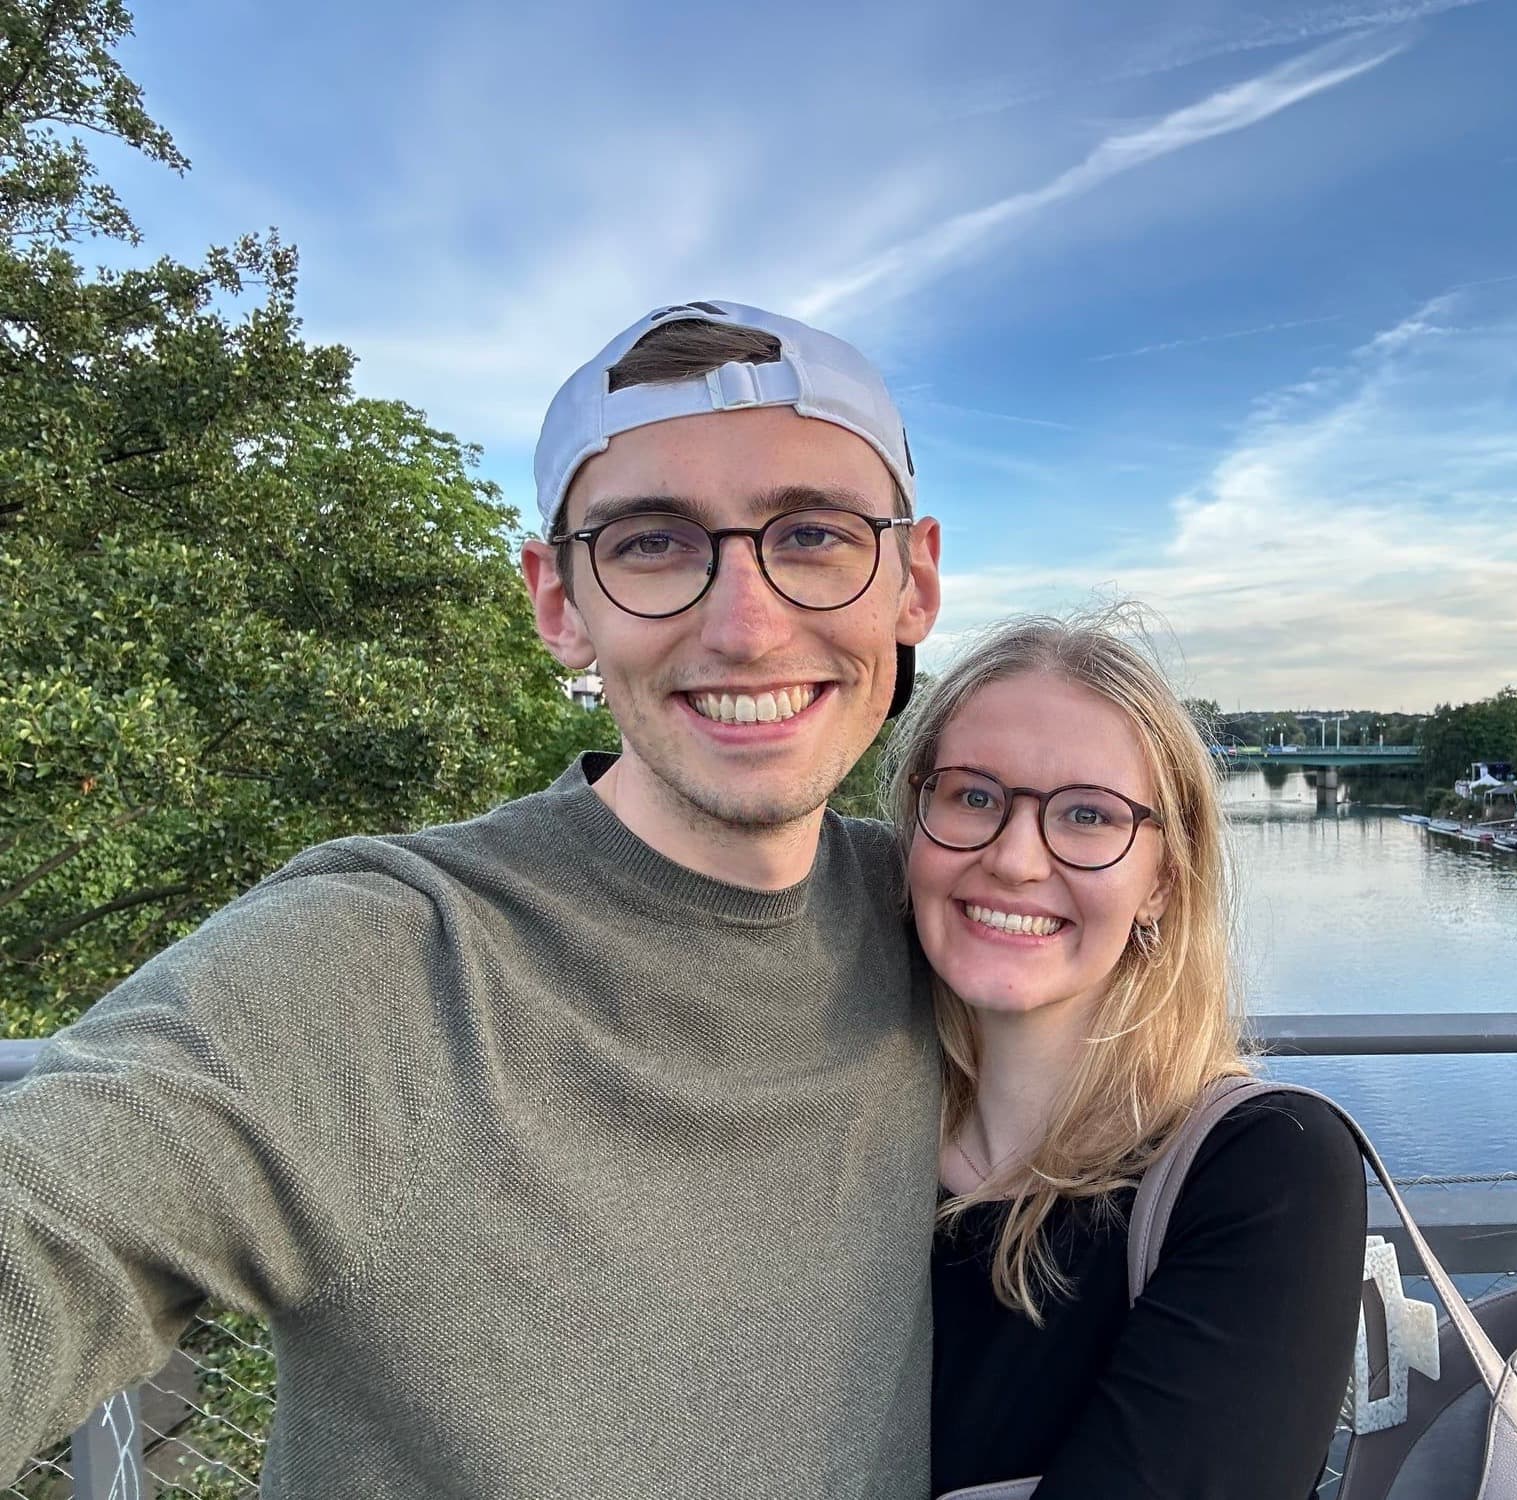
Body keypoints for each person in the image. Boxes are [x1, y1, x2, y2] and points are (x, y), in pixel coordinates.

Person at [0, 302, 944, 1498]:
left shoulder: (943, 926)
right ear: (559, 604)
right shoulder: (379, 963)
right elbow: (48, 1224)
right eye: (652, 544)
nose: (746, 624)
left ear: (910, 584)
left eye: (812, 534)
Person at [890, 613, 1368, 1499]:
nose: (1017, 859)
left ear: (1163, 882)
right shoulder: (840, 1129)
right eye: (972, 795)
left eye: (1087, 815)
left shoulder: (1266, 1172)